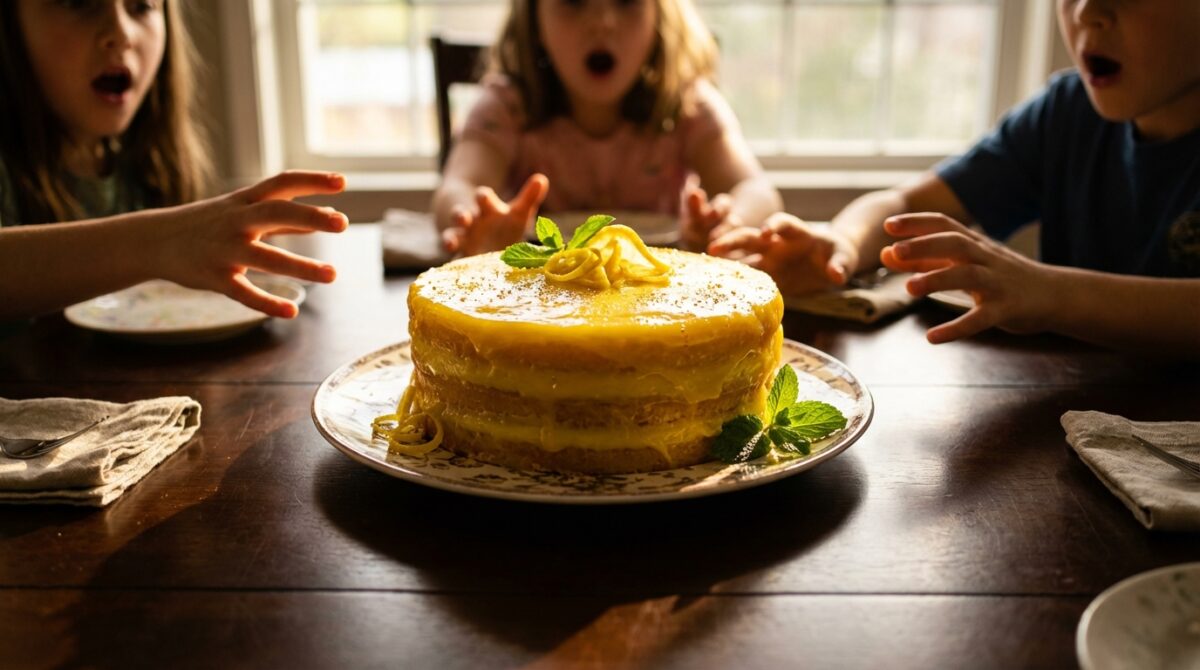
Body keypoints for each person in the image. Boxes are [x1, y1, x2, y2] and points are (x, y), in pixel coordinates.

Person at [709, 0, 1200, 357]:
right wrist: (840, 242)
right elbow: (910, 202)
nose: (1089, 11)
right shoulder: (1065, 113)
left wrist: (1054, 294)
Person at [0, 0, 348, 321]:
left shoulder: (144, 164)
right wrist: (156, 242)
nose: (121, 34)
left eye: (142, 6)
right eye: (80, 3)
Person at [432, 0, 781, 256]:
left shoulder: (687, 105)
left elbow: (757, 190)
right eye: (575, 2)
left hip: (655, 302)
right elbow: (457, 186)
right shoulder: (507, 106)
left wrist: (727, 223)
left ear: (659, 17)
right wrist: (477, 223)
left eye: (627, 1)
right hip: (548, 299)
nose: (602, 21)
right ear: (534, 19)